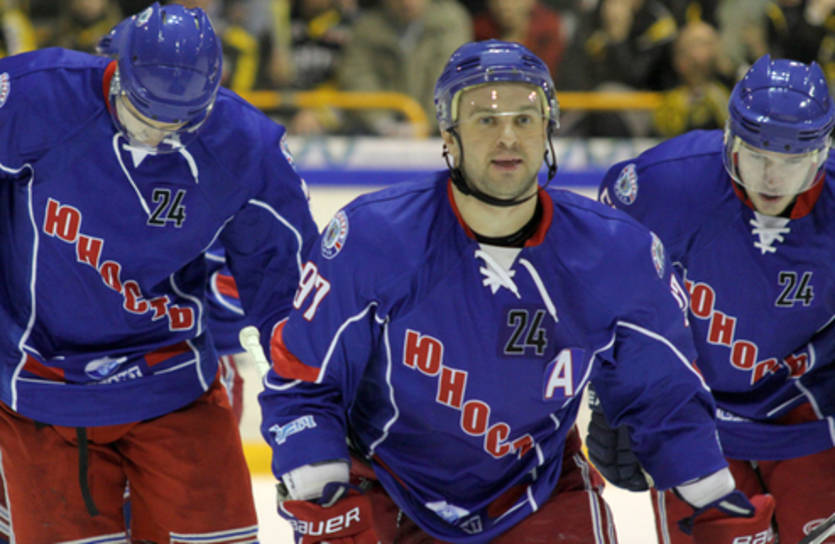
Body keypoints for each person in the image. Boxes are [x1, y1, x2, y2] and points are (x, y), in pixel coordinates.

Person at [258, 39, 772, 543]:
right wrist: (315, 475)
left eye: (524, 119)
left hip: (536, 490)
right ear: (449, 136)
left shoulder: (617, 254)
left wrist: (709, 492)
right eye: (486, 120)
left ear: (548, 130)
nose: (508, 137)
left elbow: (664, 394)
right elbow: (303, 380)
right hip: (387, 482)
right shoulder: (373, 238)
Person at [0, 3, 318, 542]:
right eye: (143, 115)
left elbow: (290, 296)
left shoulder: (247, 147)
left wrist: (312, 425)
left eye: (176, 123)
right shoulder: (32, 94)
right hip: (37, 386)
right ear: (117, 70)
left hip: (172, 382)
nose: (155, 135)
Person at [592, 54, 835, 543]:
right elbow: (602, 285)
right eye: (758, 156)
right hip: (687, 410)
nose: (771, 180)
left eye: (791, 162)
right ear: (730, 140)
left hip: (808, 409)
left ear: (820, 155)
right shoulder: (665, 183)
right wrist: (609, 398)